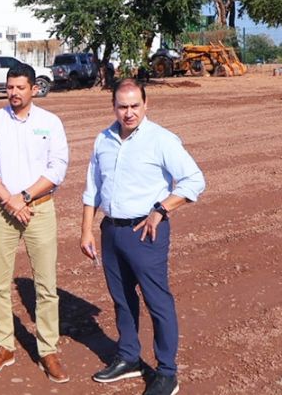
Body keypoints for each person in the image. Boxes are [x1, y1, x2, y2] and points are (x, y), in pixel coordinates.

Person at [80, 79, 205, 395]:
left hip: (146, 232)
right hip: (111, 230)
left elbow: (194, 181)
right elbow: (93, 189)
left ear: (145, 105)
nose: (129, 113)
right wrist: (86, 230)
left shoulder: (161, 140)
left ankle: (167, 372)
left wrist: (161, 209)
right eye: (122, 106)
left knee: (157, 301)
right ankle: (128, 357)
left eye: (135, 106)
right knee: (122, 299)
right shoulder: (103, 140)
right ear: (114, 107)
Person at [0, 63, 70, 383]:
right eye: (10, 87)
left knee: (45, 285)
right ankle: (4, 346)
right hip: (3, 210)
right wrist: (11, 201)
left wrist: (25, 197)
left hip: (39, 209)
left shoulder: (50, 122)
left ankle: (47, 349)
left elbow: (58, 167)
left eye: (20, 88)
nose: (14, 93)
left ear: (34, 89)